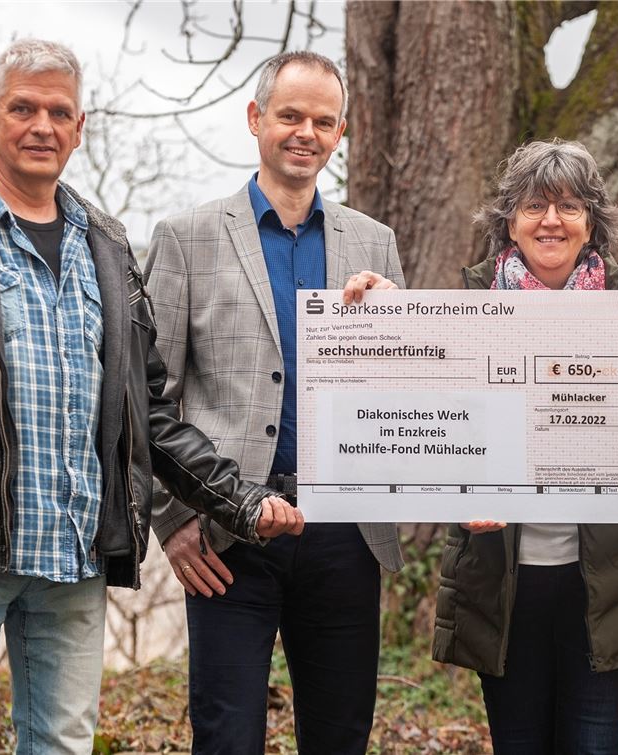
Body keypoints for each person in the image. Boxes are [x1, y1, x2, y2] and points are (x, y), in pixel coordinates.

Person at [0, 39, 303, 755]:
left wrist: (238, 500)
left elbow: (147, 413)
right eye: (23, 108)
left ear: (80, 127)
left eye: (59, 112)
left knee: (61, 744)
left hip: (74, 558)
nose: (42, 126)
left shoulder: (109, 248)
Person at [144, 50, 404, 754]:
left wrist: (399, 323)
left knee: (341, 734)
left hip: (345, 532)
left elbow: (405, 395)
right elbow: (148, 395)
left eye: (323, 121)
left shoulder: (374, 242)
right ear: (256, 118)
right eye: (290, 115)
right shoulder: (186, 237)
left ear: (340, 133)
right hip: (228, 532)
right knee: (227, 737)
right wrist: (173, 521)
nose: (305, 133)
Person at [431, 139, 618, 754]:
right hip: (502, 579)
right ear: (510, 224)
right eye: (534, 206)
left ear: (591, 225)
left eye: (569, 206)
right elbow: (429, 434)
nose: (551, 220)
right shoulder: (466, 312)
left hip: (607, 585)